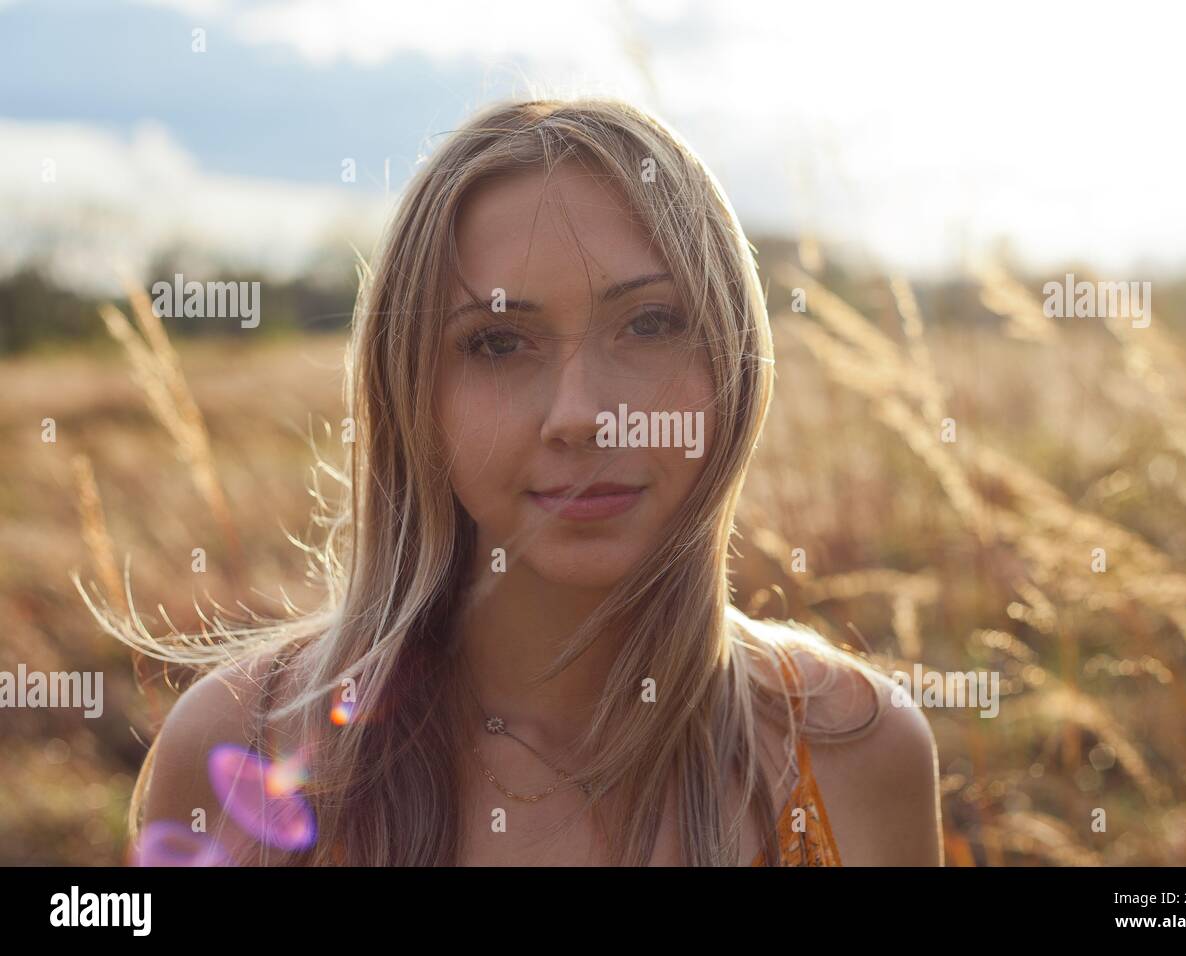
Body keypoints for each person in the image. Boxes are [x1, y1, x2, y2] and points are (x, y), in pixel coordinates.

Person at [85, 96, 943, 866]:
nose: (581, 413)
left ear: (734, 362)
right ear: (413, 394)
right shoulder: (247, 750)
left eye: (649, 324)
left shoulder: (853, 752)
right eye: (498, 342)